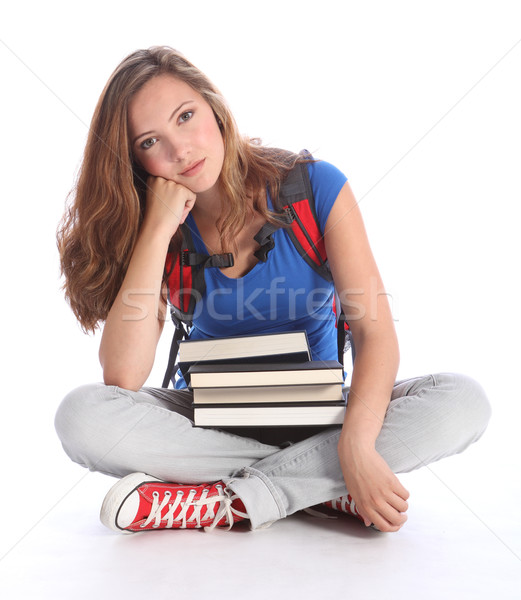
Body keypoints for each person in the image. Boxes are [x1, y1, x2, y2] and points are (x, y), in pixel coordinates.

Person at [55, 46, 491, 535]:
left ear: (215, 109)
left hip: (321, 417)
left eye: (186, 116)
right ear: (135, 159)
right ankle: (323, 488)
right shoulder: (158, 229)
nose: (179, 151)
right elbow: (124, 375)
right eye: (150, 141)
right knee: (81, 416)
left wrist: (356, 445)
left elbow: (374, 334)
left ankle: (223, 500)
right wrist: (156, 231)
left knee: (463, 401)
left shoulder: (314, 188)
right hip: (206, 424)